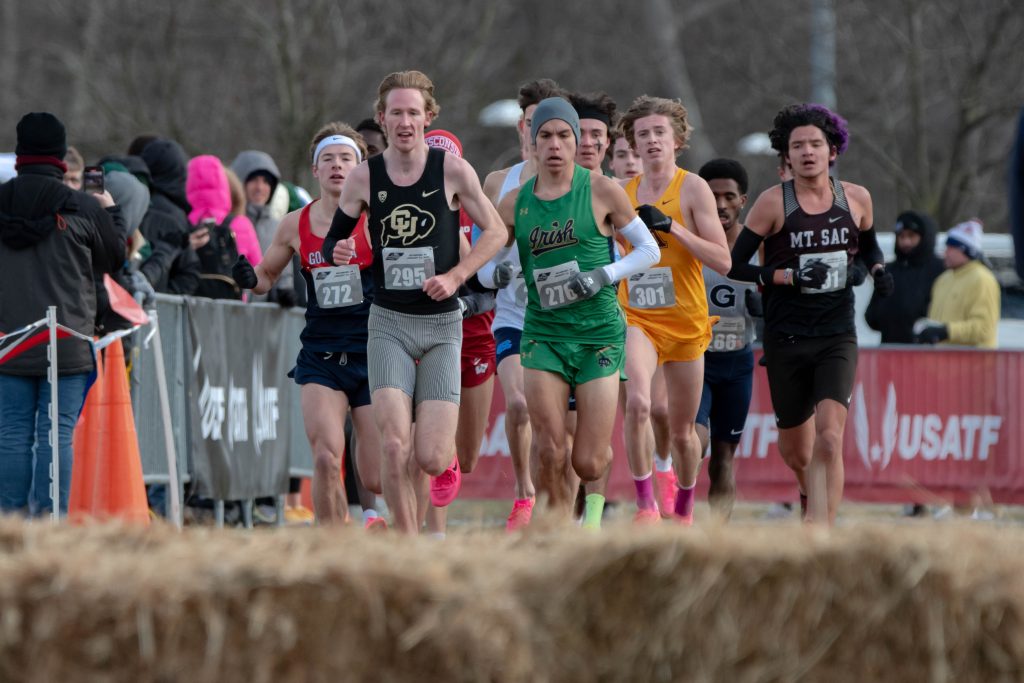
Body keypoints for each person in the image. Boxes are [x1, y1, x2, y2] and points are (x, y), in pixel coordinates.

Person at [321, 70, 506, 535]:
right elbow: (332, 244)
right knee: (393, 444)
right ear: (382, 119)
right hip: (388, 324)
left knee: (430, 454)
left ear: (428, 117)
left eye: (414, 113)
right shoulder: (365, 177)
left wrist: (458, 276)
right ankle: (407, 545)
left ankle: (444, 466)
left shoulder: (453, 171)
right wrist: (340, 251)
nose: (405, 121)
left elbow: (498, 232)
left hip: (443, 326)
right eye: (396, 113)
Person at [727, 103, 893, 525]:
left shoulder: (856, 198)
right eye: (797, 146)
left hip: (837, 334)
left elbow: (869, 246)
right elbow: (734, 264)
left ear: (832, 150)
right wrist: (784, 276)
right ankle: (807, 492)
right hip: (787, 337)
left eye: (815, 144)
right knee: (797, 452)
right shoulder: (771, 204)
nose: (807, 152)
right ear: (786, 156)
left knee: (830, 439)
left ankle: (820, 534)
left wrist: (874, 270)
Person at [494, 96, 660, 518]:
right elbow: (487, 261)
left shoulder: (602, 190)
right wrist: (486, 276)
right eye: (545, 135)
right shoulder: (514, 202)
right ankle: (557, 533)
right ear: (532, 143)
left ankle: (592, 515)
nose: (554, 144)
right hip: (543, 333)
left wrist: (603, 275)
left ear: (575, 141)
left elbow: (648, 250)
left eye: (563, 135)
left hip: (597, 335)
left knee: (587, 459)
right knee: (550, 449)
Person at [232, 122, 384, 527]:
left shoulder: (378, 220)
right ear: (314, 171)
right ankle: (332, 548)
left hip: (375, 352)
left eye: (346, 159)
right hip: (321, 355)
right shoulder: (294, 224)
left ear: (360, 168)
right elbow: (265, 275)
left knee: (375, 474)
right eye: (328, 160)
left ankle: (378, 518)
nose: (337, 166)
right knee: (324, 455)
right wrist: (249, 277)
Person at [0, 112, 125, 516]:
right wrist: (111, 213)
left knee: (12, 436)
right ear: (59, 155)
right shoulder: (82, 206)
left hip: (9, 341)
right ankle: (50, 525)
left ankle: (10, 529)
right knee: (56, 436)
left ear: (20, 152)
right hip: (67, 340)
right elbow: (114, 260)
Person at [616, 96, 732, 526]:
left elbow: (722, 260)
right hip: (637, 317)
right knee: (639, 405)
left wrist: (673, 228)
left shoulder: (693, 188)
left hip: (685, 321)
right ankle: (645, 504)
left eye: (659, 133)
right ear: (633, 143)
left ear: (677, 140)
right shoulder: (622, 192)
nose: (651, 141)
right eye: (642, 134)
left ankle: (682, 509)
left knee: (683, 432)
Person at [476, 78, 568, 531]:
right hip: (514, 312)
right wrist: (496, 273)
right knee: (518, 405)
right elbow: (483, 254)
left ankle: (564, 502)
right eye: (533, 126)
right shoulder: (499, 182)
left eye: (549, 128)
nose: (540, 137)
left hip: (566, 319)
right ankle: (524, 494)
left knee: (558, 427)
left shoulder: (583, 184)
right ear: (522, 129)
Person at [694, 158, 761, 519]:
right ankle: (681, 519)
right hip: (695, 360)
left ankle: (718, 534)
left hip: (737, 361)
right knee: (693, 444)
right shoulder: (690, 242)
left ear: (743, 200)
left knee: (722, 459)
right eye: (711, 195)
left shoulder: (759, 246)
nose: (720, 204)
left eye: (729, 196)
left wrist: (764, 306)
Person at [185, 155, 263, 299]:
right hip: (232, 313)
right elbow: (260, 273)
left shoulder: (185, 224)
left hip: (190, 312)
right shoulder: (241, 224)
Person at [916, 219, 1000, 348]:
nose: (945, 252)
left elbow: (984, 328)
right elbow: (936, 322)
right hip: (945, 363)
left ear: (965, 250)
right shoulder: (943, 279)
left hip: (974, 364)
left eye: (951, 248)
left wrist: (946, 331)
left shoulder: (982, 279)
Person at [864, 210, 945, 344]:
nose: (906, 242)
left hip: (925, 350)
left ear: (924, 237)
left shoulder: (939, 270)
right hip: (890, 348)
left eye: (911, 236)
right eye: (901, 236)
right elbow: (872, 316)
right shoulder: (890, 270)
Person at [231, 150, 295, 306]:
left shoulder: (279, 226)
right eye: (254, 180)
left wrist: (284, 291)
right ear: (239, 183)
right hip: (229, 312)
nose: (260, 187)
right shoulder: (228, 223)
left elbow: (284, 272)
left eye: (266, 182)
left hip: (265, 319)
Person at [137, 138, 201, 296]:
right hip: (159, 311)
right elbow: (189, 273)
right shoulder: (176, 216)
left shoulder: (131, 202)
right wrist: (165, 297)